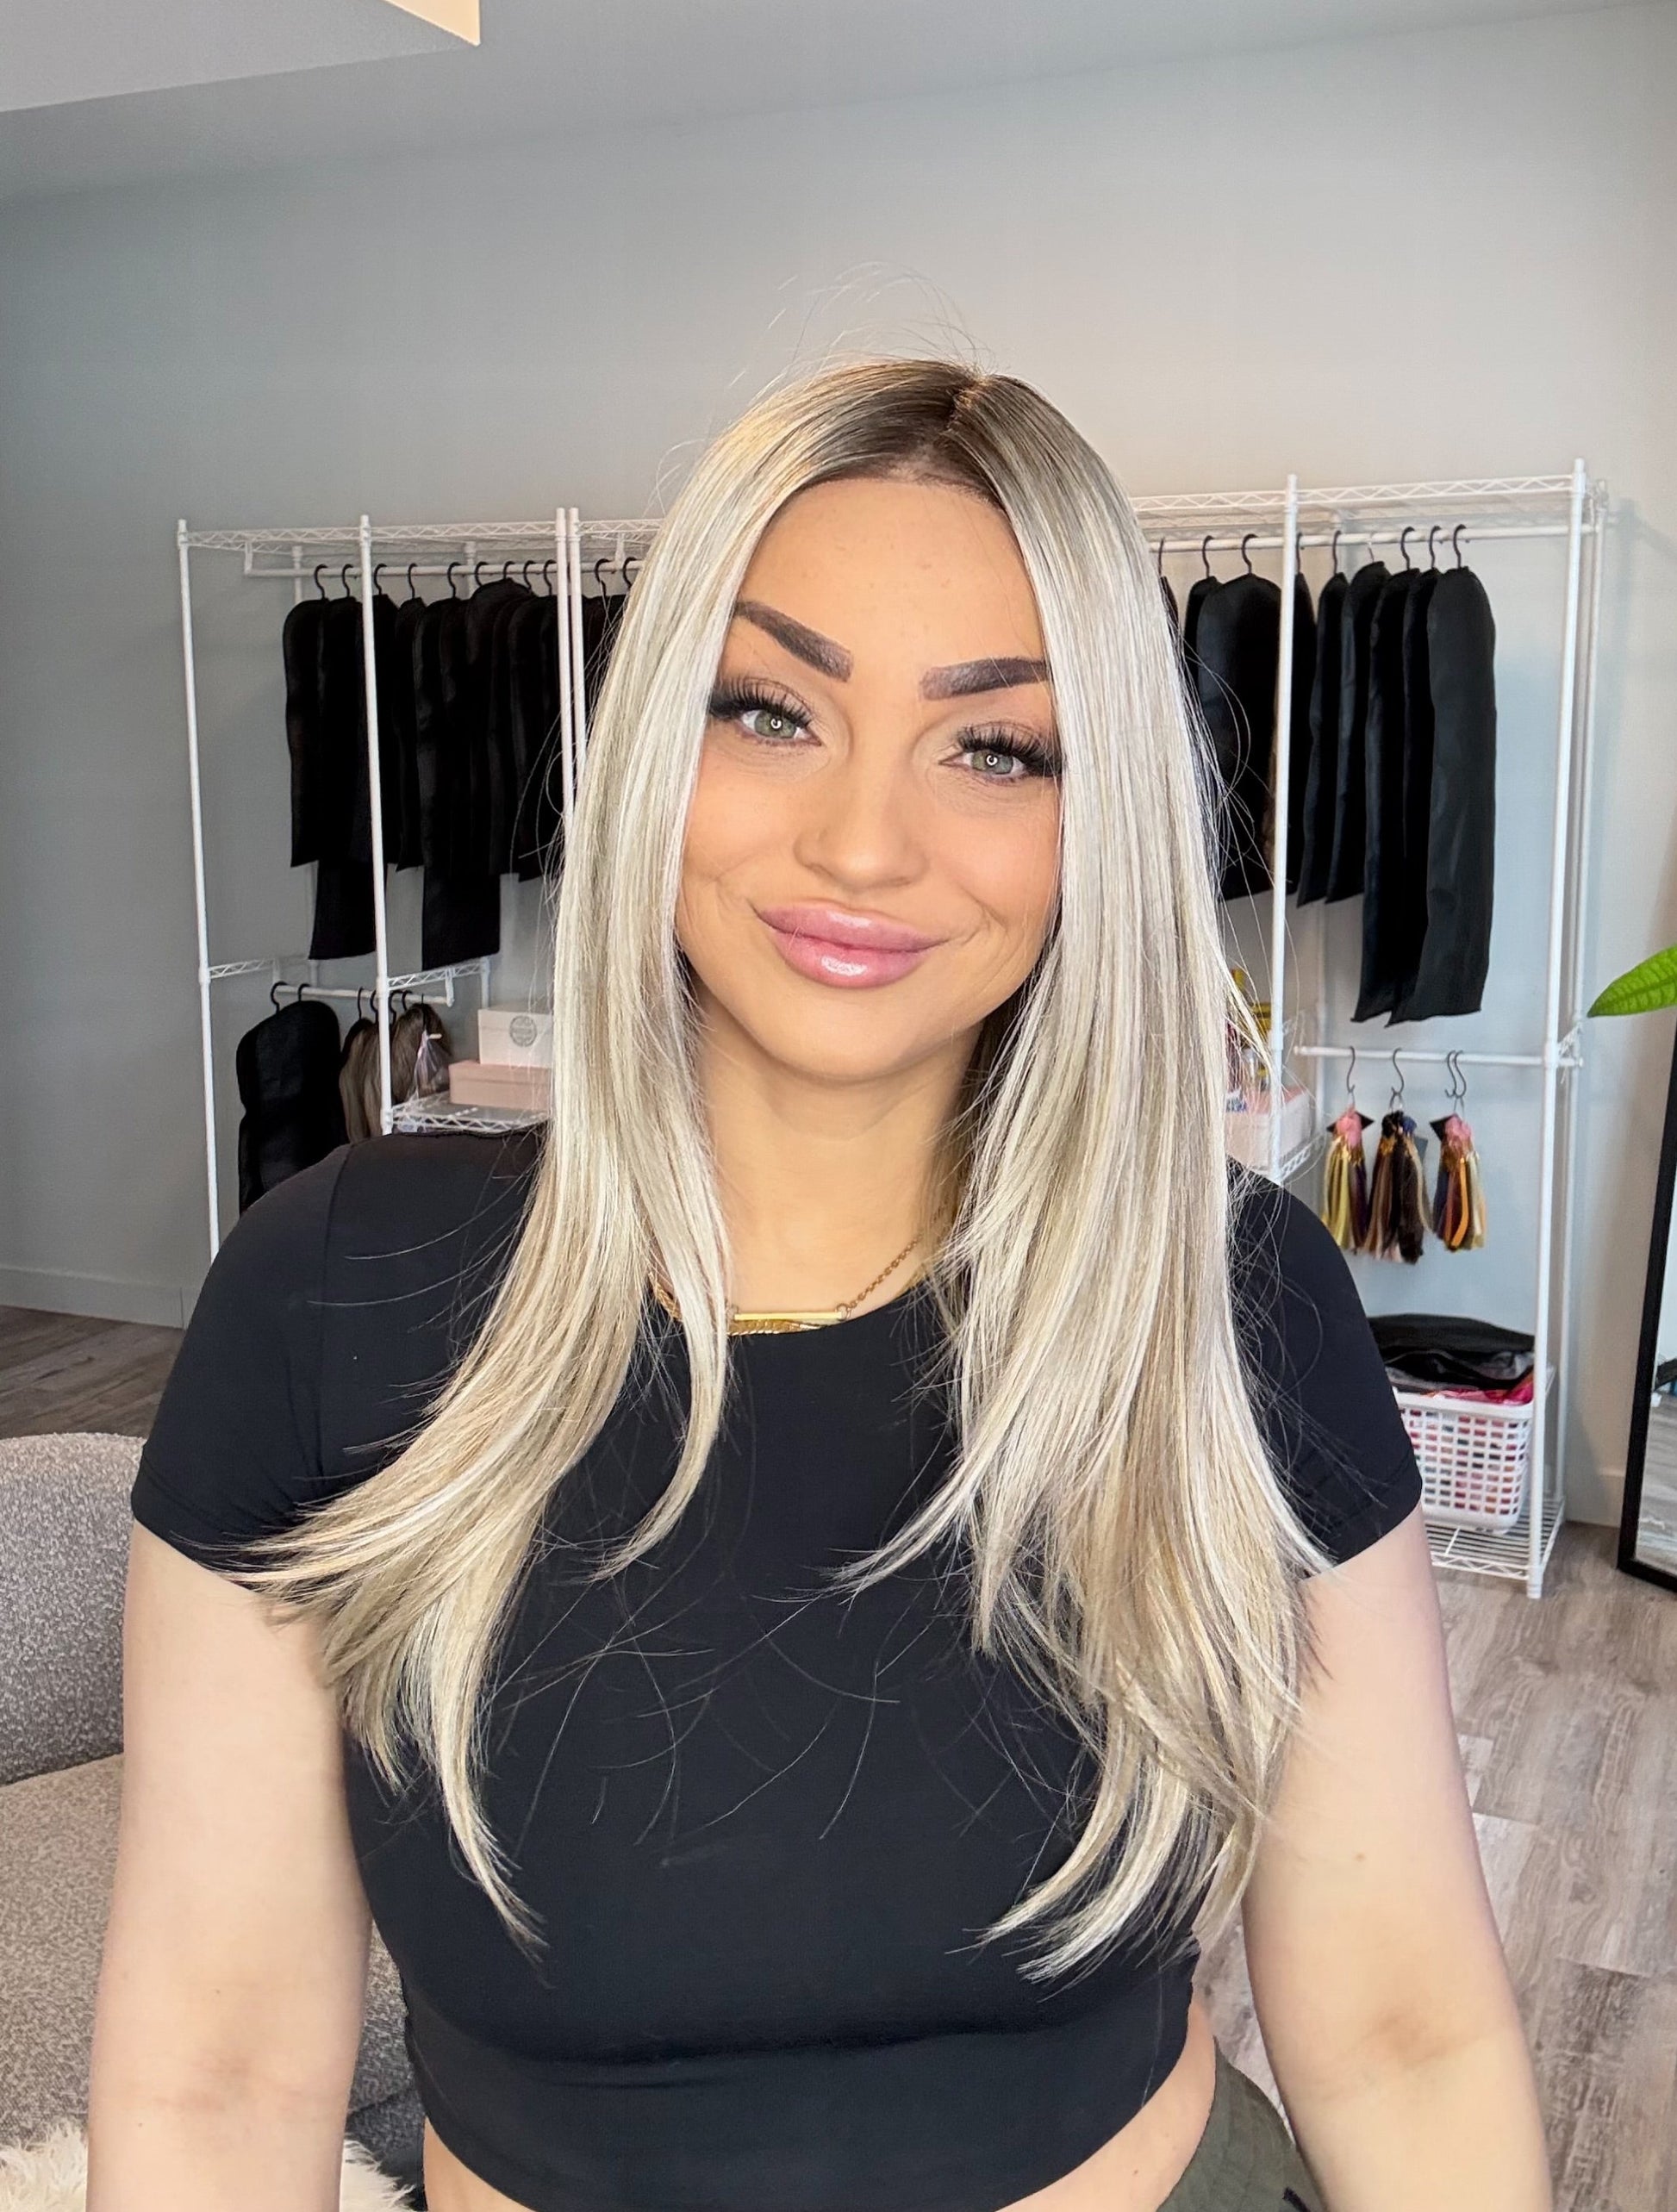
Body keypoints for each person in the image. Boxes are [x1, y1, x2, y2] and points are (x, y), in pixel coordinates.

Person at [90, 358, 1551, 2212]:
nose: (864, 844)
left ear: (1094, 816)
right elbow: (215, 2078)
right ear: (648, 748)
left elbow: (1407, 2029)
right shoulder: (337, 1301)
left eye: (996, 745)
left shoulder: (1232, 1306)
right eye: (771, 712)